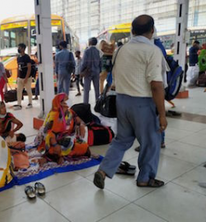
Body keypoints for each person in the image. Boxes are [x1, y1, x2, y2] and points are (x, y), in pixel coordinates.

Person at [93, 15, 167, 189]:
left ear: (132, 31)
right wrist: (162, 114)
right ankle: (145, 178)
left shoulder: (120, 50)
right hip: (143, 103)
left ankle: (103, 170)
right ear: (152, 30)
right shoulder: (152, 51)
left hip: (122, 101)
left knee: (122, 140)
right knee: (150, 142)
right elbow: (156, 85)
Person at [35, 93, 91, 165]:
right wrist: (55, 145)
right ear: (61, 103)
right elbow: (49, 134)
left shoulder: (70, 112)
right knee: (59, 148)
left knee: (85, 149)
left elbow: (79, 120)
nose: (69, 100)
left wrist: (81, 125)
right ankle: (54, 157)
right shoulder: (54, 115)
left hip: (66, 141)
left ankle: (58, 157)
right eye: (66, 99)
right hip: (52, 141)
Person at [80, 37, 102, 104]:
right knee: (97, 89)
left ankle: (85, 105)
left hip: (88, 72)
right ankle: (97, 104)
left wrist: (81, 70)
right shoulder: (99, 51)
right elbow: (101, 62)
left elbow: (84, 63)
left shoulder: (86, 51)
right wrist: (100, 70)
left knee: (86, 90)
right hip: (96, 72)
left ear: (90, 42)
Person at [14, 43, 33, 110]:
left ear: (23, 49)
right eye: (18, 47)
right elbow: (18, 68)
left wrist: (26, 78)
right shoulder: (18, 58)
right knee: (19, 91)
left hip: (27, 78)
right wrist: (17, 77)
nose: (18, 49)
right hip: (20, 77)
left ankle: (30, 103)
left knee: (28, 90)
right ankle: (19, 104)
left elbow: (29, 68)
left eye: (19, 48)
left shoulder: (27, 57)